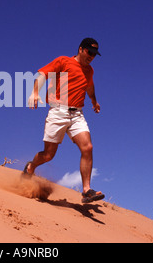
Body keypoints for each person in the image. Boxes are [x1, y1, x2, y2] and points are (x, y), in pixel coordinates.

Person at [24, 37, 105, 203]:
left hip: (77, 115)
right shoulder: (63, 61)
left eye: (95, 54)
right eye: (90, 52)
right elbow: (42, 74)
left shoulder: (89, 71)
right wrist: (34, 92)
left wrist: (94, 101)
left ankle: (86, 190)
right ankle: (31, 167)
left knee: (87, 147)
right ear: (81, 49)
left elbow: (89, 86)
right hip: (58, 112)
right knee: (48, 155)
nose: (92, 56)